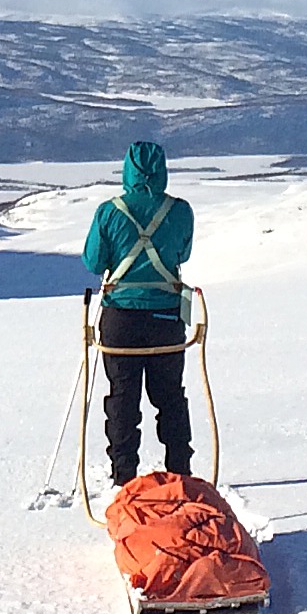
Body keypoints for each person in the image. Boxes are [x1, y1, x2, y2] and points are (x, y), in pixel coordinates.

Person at [82, 140, 195, 487]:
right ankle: (180, 473)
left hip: (120, 318)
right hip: (167, 317)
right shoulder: (180, 210)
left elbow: (93, 261)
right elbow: (184, 253)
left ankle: (123, 476)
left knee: (122, 397)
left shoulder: (109, 211)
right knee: (170, 396)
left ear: (126, 170)